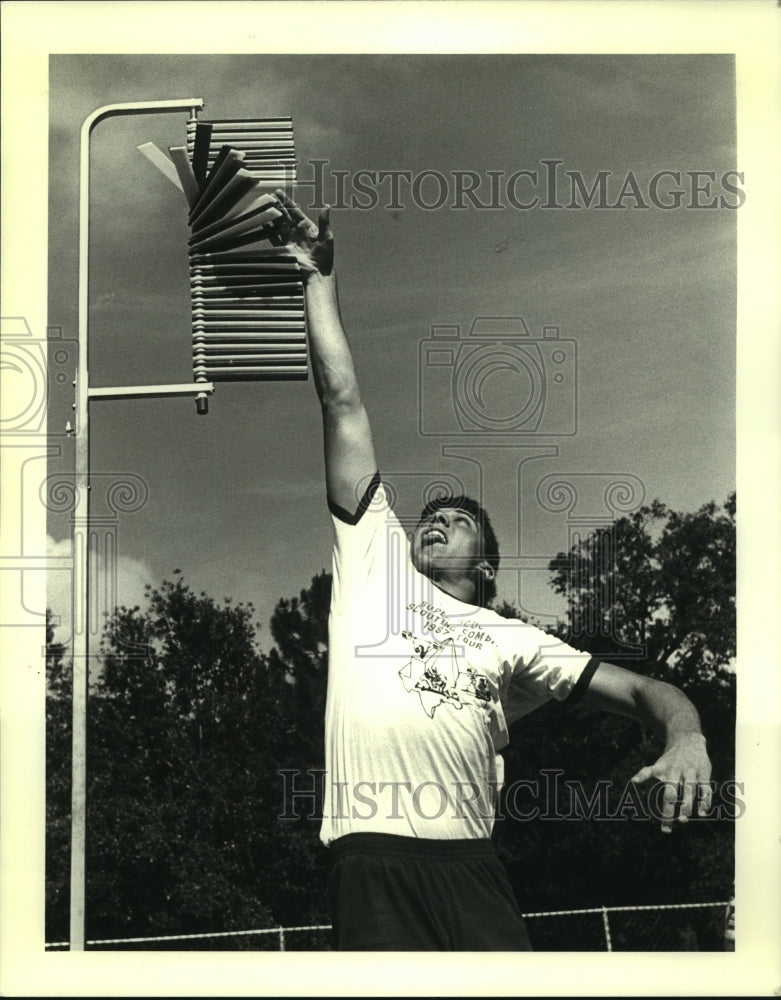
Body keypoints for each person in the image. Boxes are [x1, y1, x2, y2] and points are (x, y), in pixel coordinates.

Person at [272, 191, 713, 952]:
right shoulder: (374, 560)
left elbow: (644, 689)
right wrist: (317, 278)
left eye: (461, 519)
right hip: (370, 856)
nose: (435, 520)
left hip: (473, 868)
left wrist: (687, 736)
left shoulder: (509, 639)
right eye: (431, 516)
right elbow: (340, 399)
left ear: (490, 566)